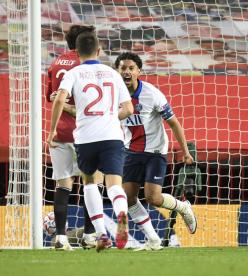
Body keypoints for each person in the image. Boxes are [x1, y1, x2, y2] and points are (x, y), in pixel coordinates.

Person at [47, 31, 134, 252]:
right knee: (112, 184)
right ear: (99, 50)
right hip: (112, 136)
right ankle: (121, 213)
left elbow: (58, 98)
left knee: (88, 183)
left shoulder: (74, 72)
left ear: (78, 51)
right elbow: (129, 108)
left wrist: (52, 129)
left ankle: (101, 235)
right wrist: (111, 117)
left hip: (86, 137)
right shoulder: (113, 74)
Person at [115, 52, 197, 251]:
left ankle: (183, 207)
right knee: (128, 197)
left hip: (155, 152)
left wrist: (185, 152)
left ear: (139, 71)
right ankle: (153, 239)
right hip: (130, 151)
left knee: (153, 198)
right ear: (117, 71)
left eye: (131, 68)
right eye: (123, 68)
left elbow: (174, 123)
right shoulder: (113, 94)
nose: (126, 72)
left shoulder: (152, 94)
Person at [46, 24, 103, 251]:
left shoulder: (55, 63)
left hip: (59, 132)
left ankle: (61, 237)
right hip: (85, 132)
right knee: (91, 183)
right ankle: (89, 236)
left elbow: (51, 97)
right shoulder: (88, 66)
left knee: (63, 185)